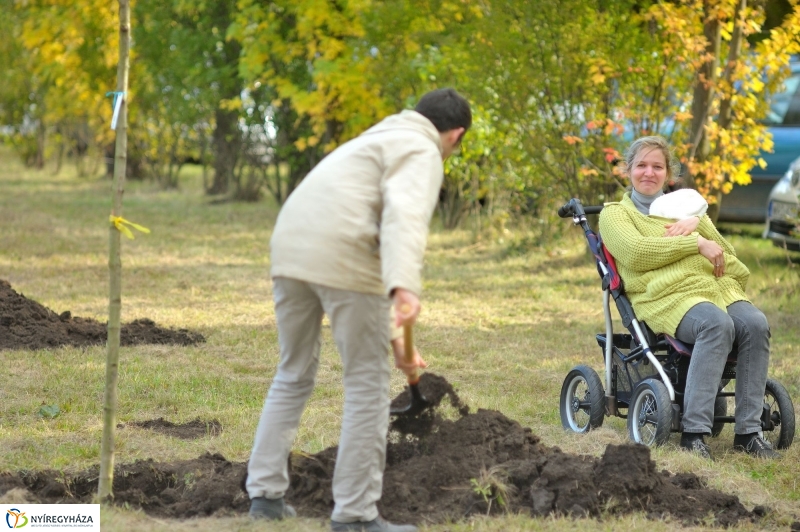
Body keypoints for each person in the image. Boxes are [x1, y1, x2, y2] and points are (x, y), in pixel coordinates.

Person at [245, 88, 472, 531]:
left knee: (292, 372)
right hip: (345, 255)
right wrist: (404, 285)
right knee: (367, 384)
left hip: (290, 251)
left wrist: (400, 342)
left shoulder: (377, 136)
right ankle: (355, 515)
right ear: (455, 136)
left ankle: (265, 496)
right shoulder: (422, 149)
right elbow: (403, 215)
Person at [598, 135, 779, 461]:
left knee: (755, 323)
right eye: (641, 165)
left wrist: (698, 224)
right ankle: (694, 434)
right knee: (716, 324)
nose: (649, 173)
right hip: (666, 294)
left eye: (657, 166)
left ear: (669, 174)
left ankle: (749, 432)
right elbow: (638, 254)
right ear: (628, 170)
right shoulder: (615, 216)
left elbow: (731, 257)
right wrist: (695, 244)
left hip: (714, 287)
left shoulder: (689, 210)